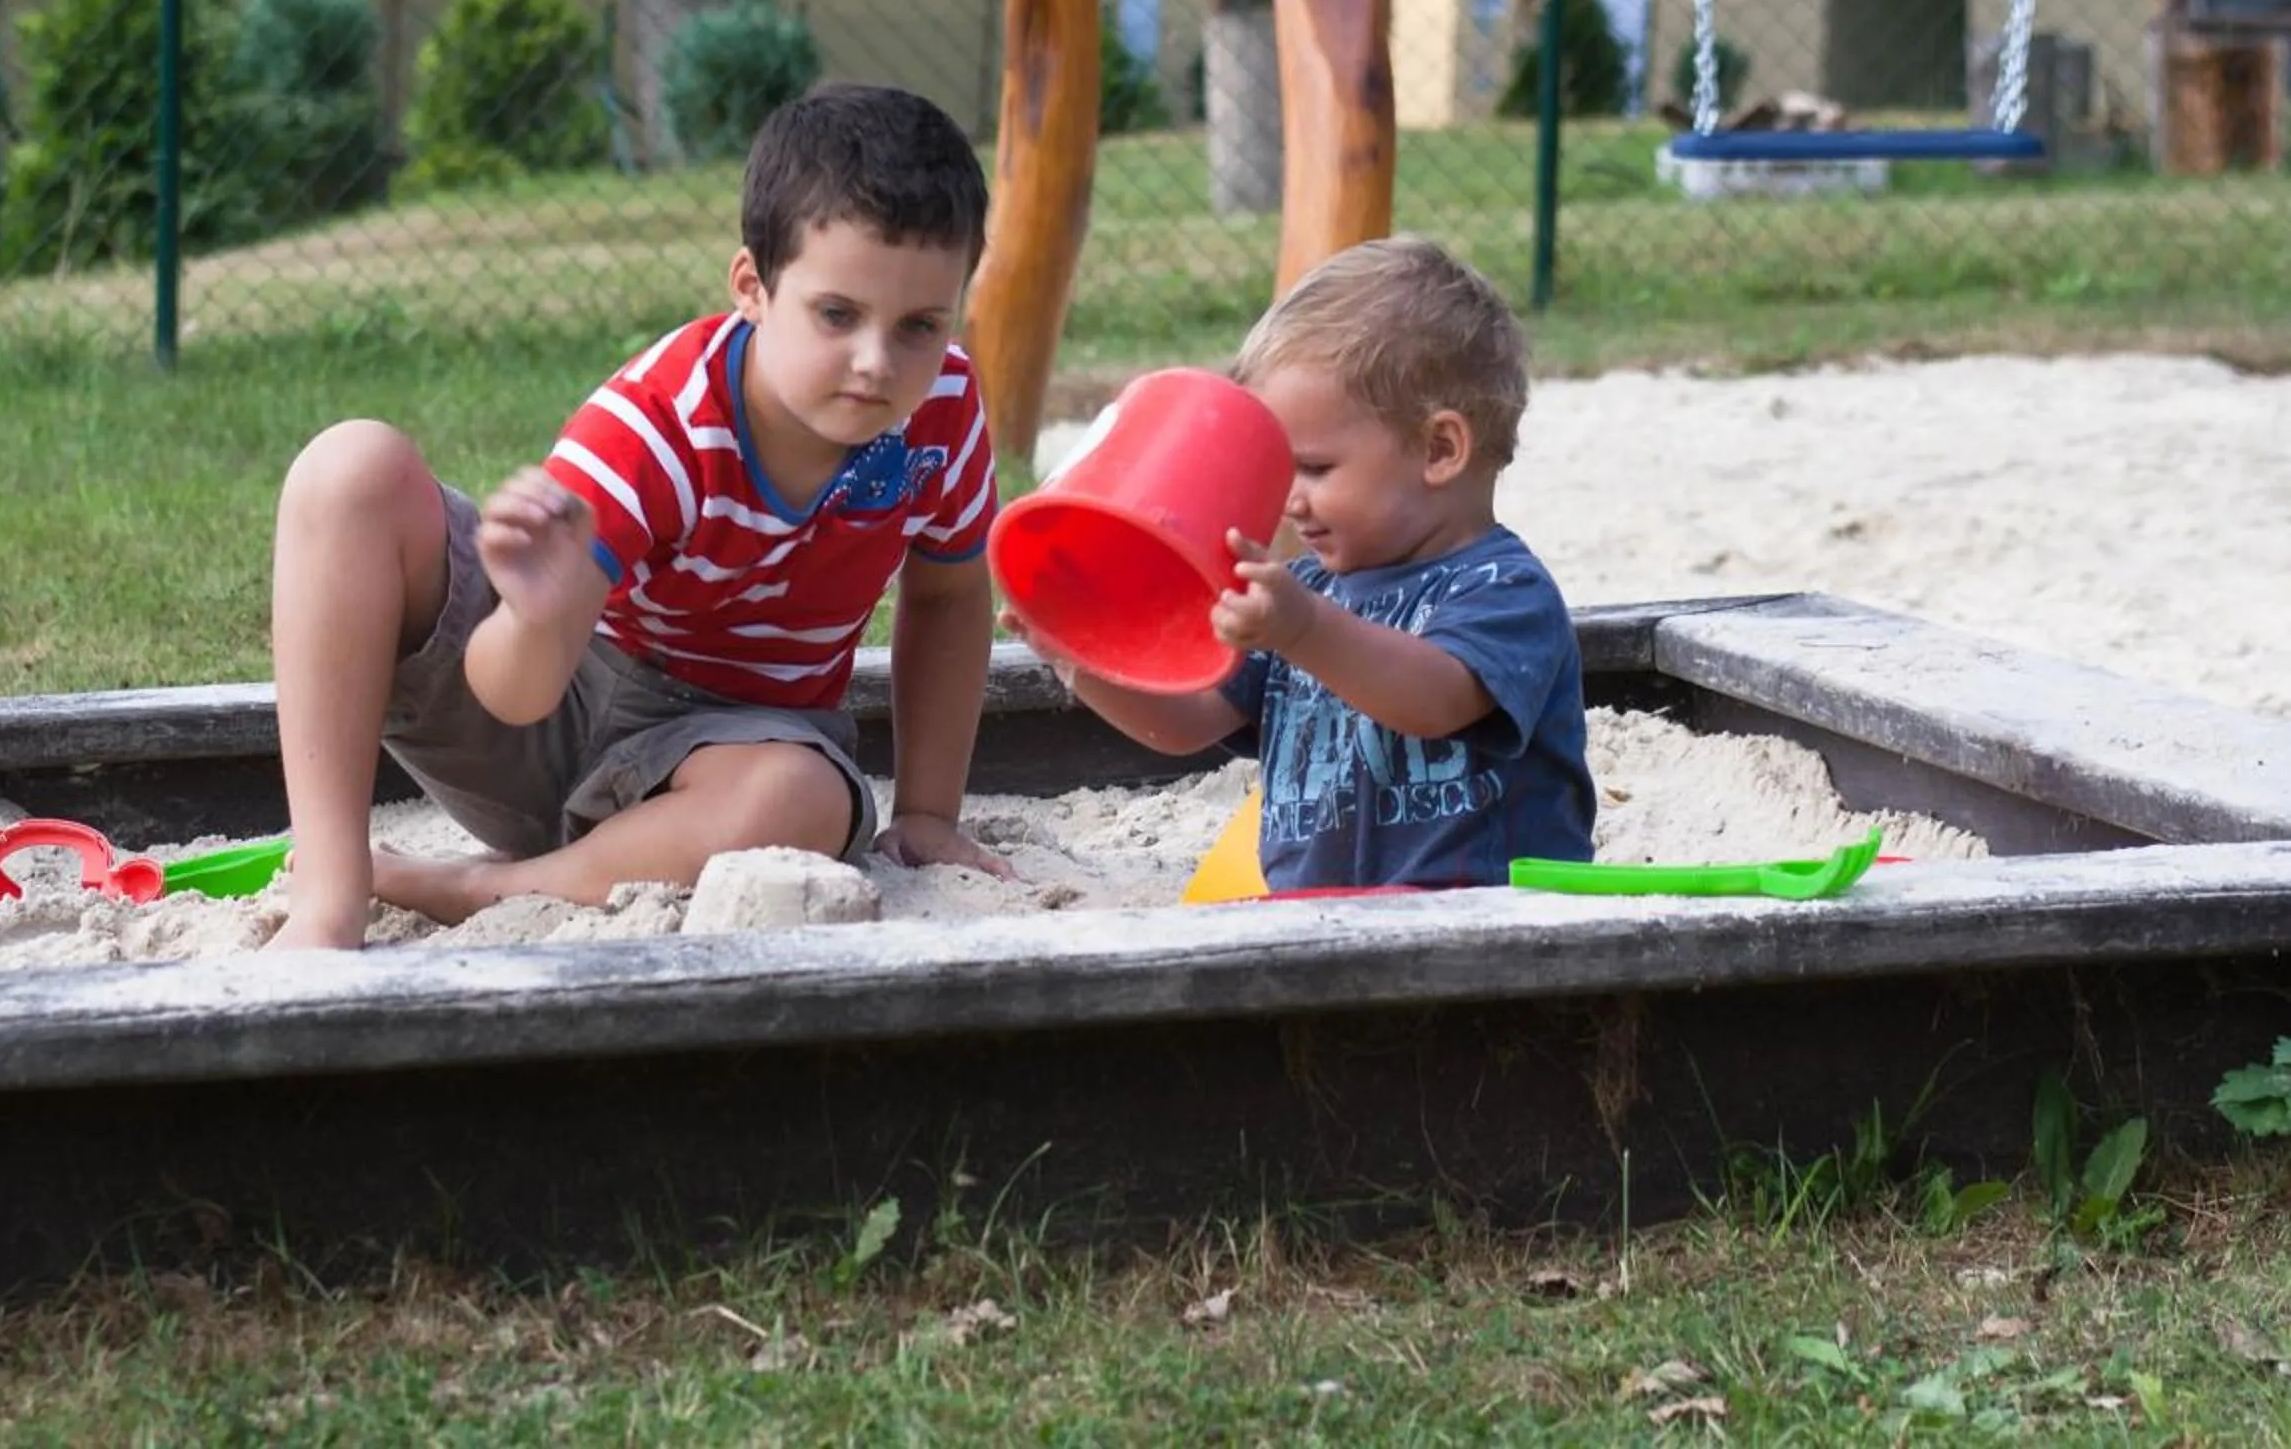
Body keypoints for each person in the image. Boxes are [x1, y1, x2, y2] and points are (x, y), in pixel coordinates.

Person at [265, 82, 1013, 950]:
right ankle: (330, 889)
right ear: (753, 286)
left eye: (920, 325)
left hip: (735, 756)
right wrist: (540, 614)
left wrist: (926, 811)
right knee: (347, 468)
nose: (876, 362)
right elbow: (512, 694)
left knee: (797, 801)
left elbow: (952, 596)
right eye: (837, 315)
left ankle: (479, 889)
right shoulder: (656, 427)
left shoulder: (944, 410)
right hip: (553, 704)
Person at [1021, 237, 1592, 892]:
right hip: (1315, 925)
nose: (1289, 498)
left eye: (1315, 468)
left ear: (1440, 448)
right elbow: (1186, 722)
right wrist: (1077, 653)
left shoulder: (1504, 590)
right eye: (1277, 466)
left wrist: (1303, 631)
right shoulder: (1305, 593)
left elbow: (1433, 700)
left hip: (1477, 931)